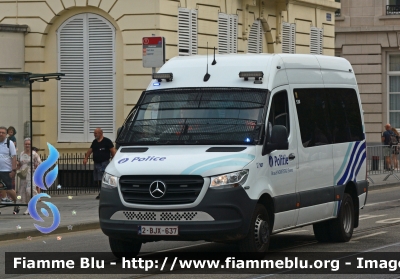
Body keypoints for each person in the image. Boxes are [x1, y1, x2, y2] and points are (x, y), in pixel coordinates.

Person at [83, 128, 116, 199]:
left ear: (101, 133)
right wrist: (86, 158)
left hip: (104, 163)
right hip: (97, 163)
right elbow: (90, 150)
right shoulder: (95, 142)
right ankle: (101, 192)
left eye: (96, 133)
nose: (94, 135)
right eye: (94, 133)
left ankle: (105, 193)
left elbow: (113, 151)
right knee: (98, 179)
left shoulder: (107, 141)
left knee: (104, 178)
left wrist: (114, 160)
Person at [17, 138, 41, 215]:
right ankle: (29, 207)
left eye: (29, 144)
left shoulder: (34, 154)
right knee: (24, 193)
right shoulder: (21, 153)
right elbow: (20, 163)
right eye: (26, 144)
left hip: (32, 174)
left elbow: (40, 163)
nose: (27, 145)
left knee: (29, 190)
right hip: (23, 175)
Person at [0, 126, 19, 214]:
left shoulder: (9, 143)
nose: (1, 134)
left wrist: (13, 170)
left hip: (6, 170)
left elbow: (14, 157)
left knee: (9, 189)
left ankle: (16, 204)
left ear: (6, 134)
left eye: (3, 133)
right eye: (0, 132)